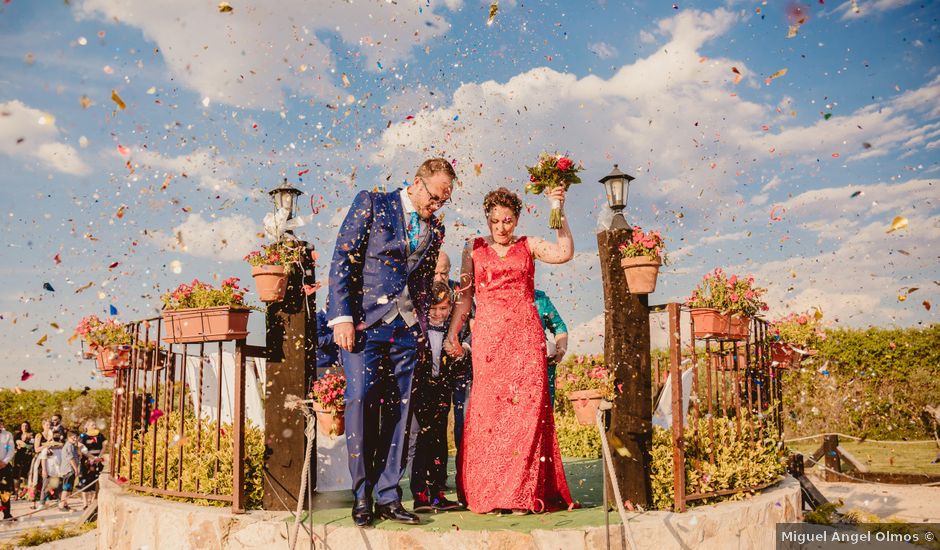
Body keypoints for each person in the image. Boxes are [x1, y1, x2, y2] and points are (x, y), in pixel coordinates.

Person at [327, 157, 455, 527]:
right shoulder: (373, 202)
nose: (436, 206)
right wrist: (342, 317)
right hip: (364, 324)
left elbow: (422, 278)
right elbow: (343, 258)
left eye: (443, 202)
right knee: (360, 400)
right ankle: (362, 494)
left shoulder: (436, 229)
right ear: (417, 183)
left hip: (407, 329)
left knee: (401, 412)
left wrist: (423, 323)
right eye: (434, 197)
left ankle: (388, 496)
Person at [445, 186, 574, 514]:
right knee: (492, 416)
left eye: (508, 221)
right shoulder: (471, 248)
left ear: (516, 219)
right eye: (496, 221)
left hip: (525, 340)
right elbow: (465, 298)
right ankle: (492, 492)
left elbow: (564, 252)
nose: (502, 228)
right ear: (487, 220)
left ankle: (520, 494)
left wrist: (556, 206)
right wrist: (453, 334)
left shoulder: (528, 244)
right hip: (489, 342)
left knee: (525, 414)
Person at [407, 281, 469, 513]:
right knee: (418, 441)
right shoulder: (416, 329)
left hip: (441, 390)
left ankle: (437, 494)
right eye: (433, 309)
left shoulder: (452, 330)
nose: (438, 314)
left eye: (443, 309)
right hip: (419, 391)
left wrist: (458, 352)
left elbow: (459, 358)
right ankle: (419, 494)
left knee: (437, 440)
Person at [534, 289, 569, 408]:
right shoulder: (497, 294)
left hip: (542, 365)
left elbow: (559, 326)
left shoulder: (539, 299)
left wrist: (560, 351)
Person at [79, 420, 105, 508]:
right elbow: (82, 448)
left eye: (95, 424)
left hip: (97, 460)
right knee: (85, 481)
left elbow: (104, 445)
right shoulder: (83, 436)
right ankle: (85, 503)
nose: (94, 426)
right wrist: (92, 457)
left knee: (95, 480)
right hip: (87, 461)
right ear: (87, 427)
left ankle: (92, 501)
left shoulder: (100, 435)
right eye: (92, 425)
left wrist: (99, 457)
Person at [59, 430, 81, 511]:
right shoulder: (69, 446)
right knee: (66, 488)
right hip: (68, 470)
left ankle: (65, 504)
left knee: (69, 488)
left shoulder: (72, 445)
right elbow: (71, 459)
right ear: (69, 437)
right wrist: (76, 469)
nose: (75, 439)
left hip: (70, 470)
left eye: (76, 437)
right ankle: (61, 505)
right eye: (73, 437)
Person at [13, 422, 35, 500]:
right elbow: (15, 444)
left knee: (26, 474)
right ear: (20, 427)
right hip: (18, 457)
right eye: (23, 425)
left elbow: (32, 445)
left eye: (26, 425)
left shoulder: (32, 434)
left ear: (28, 426)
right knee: (16, 475)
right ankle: (16, 493)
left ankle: (24, 492)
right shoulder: (17, 435)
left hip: (28, 457)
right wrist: (20, 443)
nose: (24, 427)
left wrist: (24, 444)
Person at [0, 420, 15, 520]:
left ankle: (7, 514)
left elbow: (10, 449)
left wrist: (4, 462)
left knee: (5, 491)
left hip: (4, 467)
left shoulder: (7, 435)